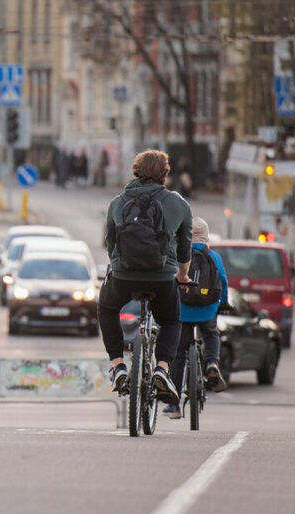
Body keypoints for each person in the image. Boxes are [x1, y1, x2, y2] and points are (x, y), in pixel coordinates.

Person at [98, 149, 192, 406]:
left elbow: (110, 241)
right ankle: (162, 368)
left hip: (123, 276)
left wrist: (116, 266)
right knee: (172, 320)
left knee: (106, 309)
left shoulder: (118, 202)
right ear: (165, 173)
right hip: (161, 278)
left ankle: (118, 366)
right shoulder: (179, 204)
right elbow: (185, 247)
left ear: (136, 171)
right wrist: (182, 276)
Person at [163, 217, 229, 419]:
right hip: (207, 309)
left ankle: (173, 406)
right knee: (211, 334)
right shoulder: (214, 257)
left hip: (183, 310)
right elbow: (223, 282)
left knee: (179, 353)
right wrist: (223, 304)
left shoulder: (177, 256)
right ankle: (211, 363)